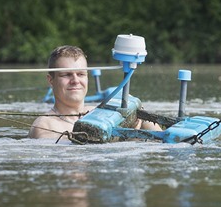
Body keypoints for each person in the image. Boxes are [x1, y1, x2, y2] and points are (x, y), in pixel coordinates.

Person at [29, 45, 161, 139]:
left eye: (81, 74)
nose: (75, 80)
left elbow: (162, 144)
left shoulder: (101, 112)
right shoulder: (43, 126)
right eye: (66, 75)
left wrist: (138, 112)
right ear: (50, 80)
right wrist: (130, 136)